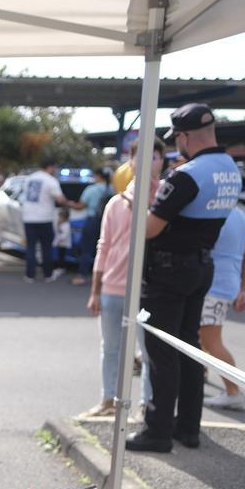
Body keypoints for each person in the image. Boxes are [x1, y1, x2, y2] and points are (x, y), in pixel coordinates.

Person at [126, 103, 240, 453]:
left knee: (162, 352)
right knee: (190, 347)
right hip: (203, 265)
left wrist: (141, 205)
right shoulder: (230, 169)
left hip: (170, 270)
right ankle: (188, 427)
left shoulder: (186, 175)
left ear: (185, 135)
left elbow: (150, 229)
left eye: (178, 139)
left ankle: (157, 431)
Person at [83, 136, 164, 419]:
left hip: (146, 290)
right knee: (111, 347)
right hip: (112, 288)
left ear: (162, 161)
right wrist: (95, 290)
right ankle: (109, 400)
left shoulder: (165, 198)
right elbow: (103, 247)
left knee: (148, 351)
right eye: (140, 156)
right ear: (130, 160)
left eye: (155, 156)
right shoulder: (116, 203)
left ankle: (146, 406)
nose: (147, 162)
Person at [200, 205, 245, 410]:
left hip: (213, 284)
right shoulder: (241, 215)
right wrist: (243, 289)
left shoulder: (214, 212)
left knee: (211, 341)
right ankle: (204, 373)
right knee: (203, 335)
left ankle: (233, 391)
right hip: (228, 283)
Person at [20, 156, 69, 282]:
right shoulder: (50, 181)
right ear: (51, 167)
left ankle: (29, 275)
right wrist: (69, 203)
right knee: (46, 247)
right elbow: (59, 199)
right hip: (44, 218)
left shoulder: (29, 179)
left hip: (28, 217)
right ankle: (48, 274)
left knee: (31, 247)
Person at [74, 169, 113, 285]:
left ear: (97, 176)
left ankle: (83, 275)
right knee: (104, 249)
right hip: (107, 221)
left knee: (86, 249)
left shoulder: (91, 189)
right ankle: (104, 277)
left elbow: (80, 206)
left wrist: (70, 204)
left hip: (92, 221)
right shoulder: (112, 189)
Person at [53, 207, 72, 273]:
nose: (59, 219)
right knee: (59, 255)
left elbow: (64, 235)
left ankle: (61, 267)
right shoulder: (60, 224)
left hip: (63, 244)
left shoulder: (67, 225)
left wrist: (59, 240)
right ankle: (59, 266)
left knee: (61, 256)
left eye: (60, 217)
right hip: (60, 243)